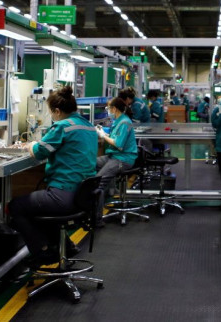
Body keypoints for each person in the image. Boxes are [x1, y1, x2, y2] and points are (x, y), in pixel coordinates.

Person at [8, 86, 97, 265]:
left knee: (16, 207)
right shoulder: (88, 126)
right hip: (82, 196)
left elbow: (40, 151)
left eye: (51, 113)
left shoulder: (63, 126)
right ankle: (67, 245)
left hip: (64, 195)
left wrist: (29, 145)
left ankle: (43, 251)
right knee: (39, 202)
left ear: (57, 111)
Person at [95, 97, 138, 212]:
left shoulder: (124, 122)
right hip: (114, 156)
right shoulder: (118, 121)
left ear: (114, 109)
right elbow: (115, 138)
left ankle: (97, 219)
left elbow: (118, 144)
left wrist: (103, 136)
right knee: (90, 164)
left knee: (97, 183)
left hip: (123, 159)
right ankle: (106, 194)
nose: (108, 111)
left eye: (109, 108)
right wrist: (104, 133)